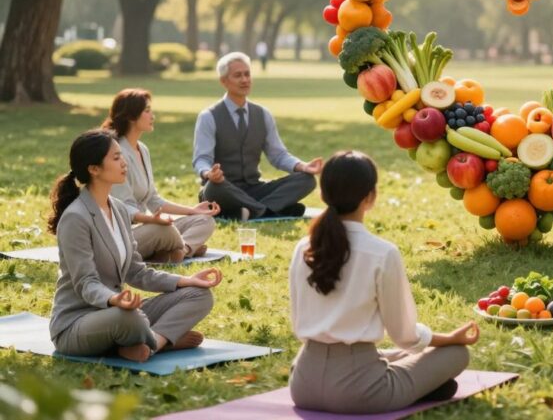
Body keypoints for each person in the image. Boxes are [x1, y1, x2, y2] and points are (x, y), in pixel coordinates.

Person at [288, 151, 478, 414]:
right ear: (369, 197)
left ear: (323, 194)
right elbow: (405, 336)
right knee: (456, 354)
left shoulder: (303, 247)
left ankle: (421, 385)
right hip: (361, 393)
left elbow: (298, 320)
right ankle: (425, 386)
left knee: (389, 355)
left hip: (303, 384)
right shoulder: (382, 253)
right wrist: (448, 338)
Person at [49, 129, 223, 363]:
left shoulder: (119, 209)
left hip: (119, 312)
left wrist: (186, 280)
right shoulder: (75, 218)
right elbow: (86, 283)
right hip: (77, 324)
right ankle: (160, 339)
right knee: (130, 318)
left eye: (122, 156)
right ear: (94, 169)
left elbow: (136, 272)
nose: (124, 163)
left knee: (199, 295)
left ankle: (152, 343)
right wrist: (115, 300)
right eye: (116, 158)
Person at [194, 52, 321, 220]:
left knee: (307, 180)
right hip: (223, 188)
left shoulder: (263, 114)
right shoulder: (208, 116)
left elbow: (278, 155)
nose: (244, 79)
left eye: (247, 74)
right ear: (223, 81)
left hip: (255, 188)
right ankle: (271, 209)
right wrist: (208, 173)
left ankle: (250, 210)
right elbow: (201, 159)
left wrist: (303, 167)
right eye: (238, 75)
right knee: (213, 188)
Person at [105, 89, 218, 262]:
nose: (153, 116)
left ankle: (181, 250)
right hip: (123, 234)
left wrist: (192, 211)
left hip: (146, 227)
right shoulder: (116, 154)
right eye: (147, 111)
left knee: (204, 221)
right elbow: (122, 208)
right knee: (163, 229)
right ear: (131, 117)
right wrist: (152, 220)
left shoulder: (142, 149)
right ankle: (180, 248)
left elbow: (154, 200)